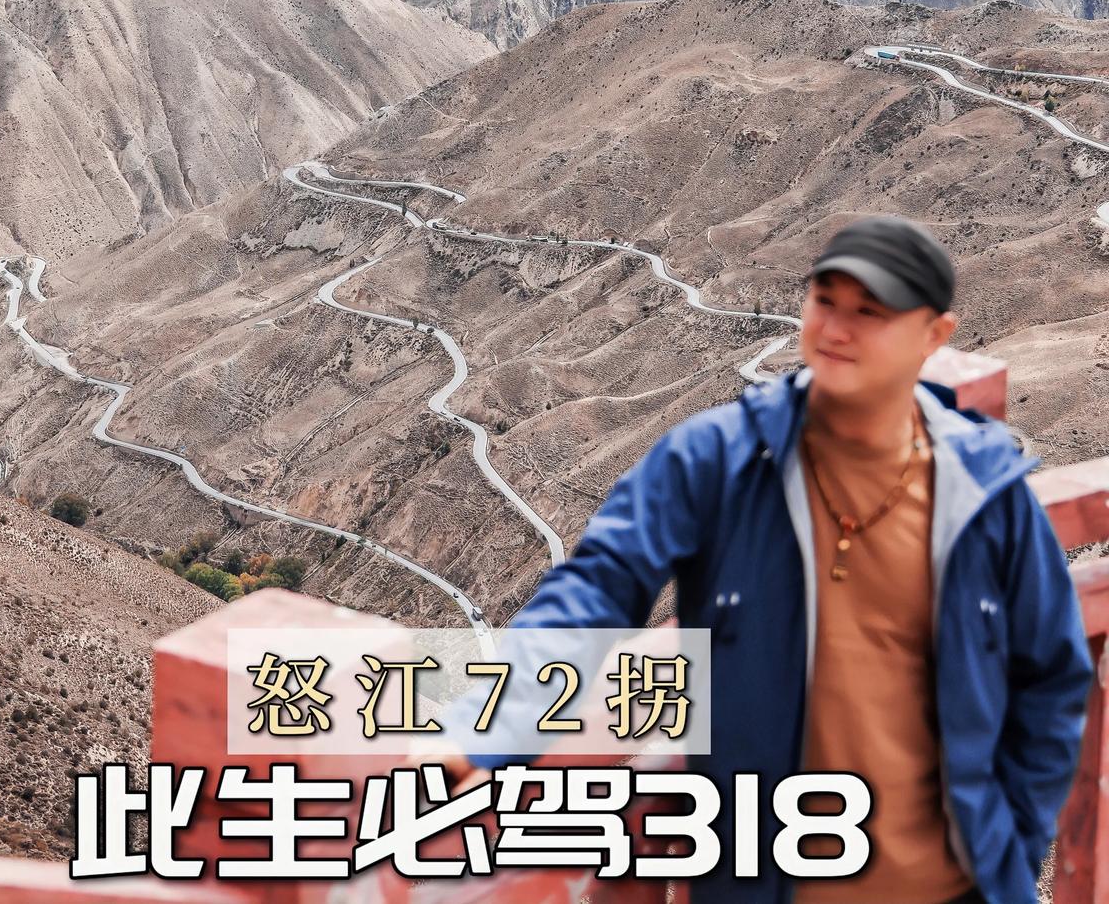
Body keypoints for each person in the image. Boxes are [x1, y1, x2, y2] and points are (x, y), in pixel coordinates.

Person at [446, 215, 1094, 904]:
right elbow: (596, 589)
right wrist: (485, 731)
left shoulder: (983, 493)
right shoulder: (715, 459)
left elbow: (1050, 678)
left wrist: (1014, 845)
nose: (837, 330)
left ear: (933, 336)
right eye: (826, 302)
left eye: (870, 313)